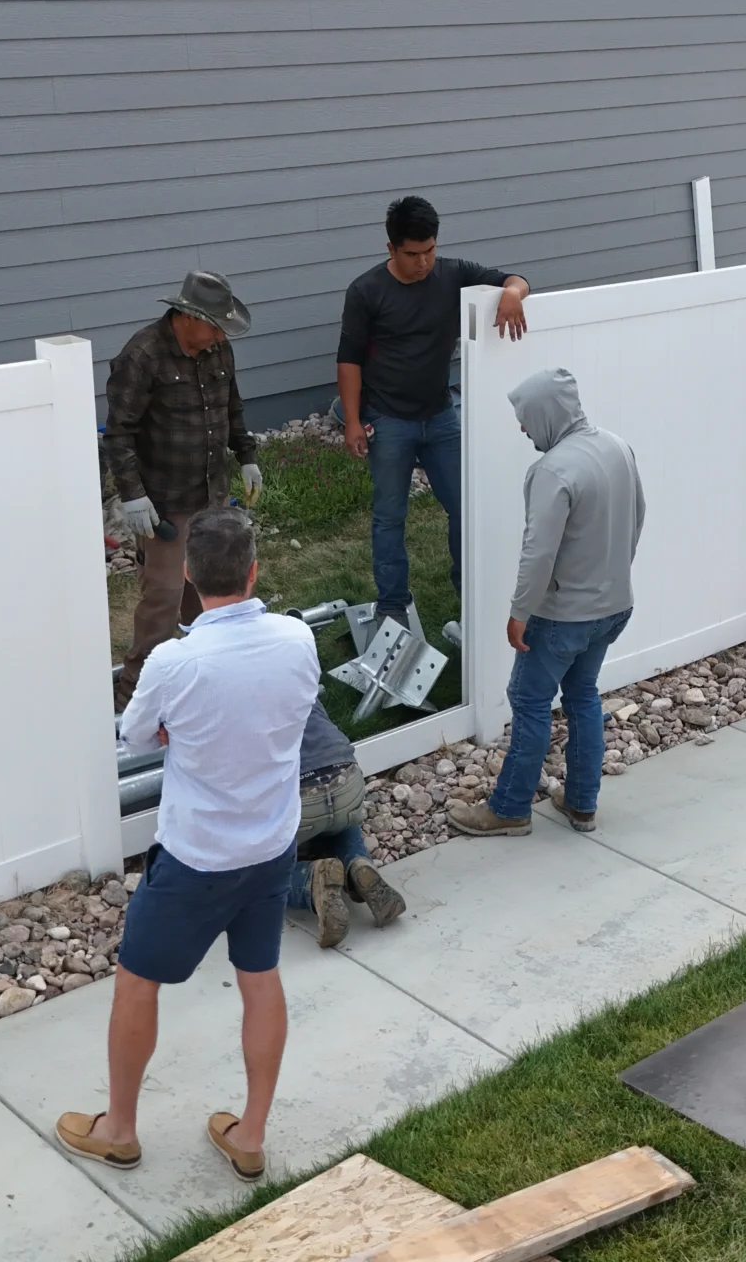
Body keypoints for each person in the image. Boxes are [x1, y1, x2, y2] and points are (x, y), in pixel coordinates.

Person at [58, 509, 313, 1183]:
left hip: (196, 856)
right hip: (272, 846)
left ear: (192, 579)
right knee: (260, 980)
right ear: (254, 570)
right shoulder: (296, 639)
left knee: (138, 981)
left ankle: (119, 1130)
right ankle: (251, 1137)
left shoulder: (176, 661)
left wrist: (180, 729)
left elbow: (137, 737)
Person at [450, 369, 644, 838]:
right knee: (582, 696)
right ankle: (581, 804)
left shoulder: (553, 470)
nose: (522, 428)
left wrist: (520, 612)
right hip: (614, 606)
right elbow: (638, 515)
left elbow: (538, 552)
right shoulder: (618, 446)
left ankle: (510, 809)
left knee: (530, 701)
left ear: (545, 413)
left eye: (525, 418)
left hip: (563, 617)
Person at [336, 195, 532, 622]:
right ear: (391, 249)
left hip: (441, 416)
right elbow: (348, 359)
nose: (422, 263)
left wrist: (513, 294)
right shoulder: (366, 291)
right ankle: (393, 607)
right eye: (412, 254)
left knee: (464, 506)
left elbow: (514, 279)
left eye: (429, 251)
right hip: (388, 420)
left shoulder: (454, 274)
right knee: (390, 516)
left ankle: (470, 595)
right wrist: (353, 421)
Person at [103, 269, 264, 704]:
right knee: (164, 598)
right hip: (164, 503)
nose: (218, 336)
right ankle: (134, 696)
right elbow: (119, 435)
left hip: (211, 496)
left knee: (210, 596)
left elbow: (233, 409)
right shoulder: (142, 356)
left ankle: (202, 680)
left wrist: (247, 457)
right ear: (187, 315)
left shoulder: (217, 350)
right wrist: (132, 493)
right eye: (213, 325)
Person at [283, 698, 407, 948]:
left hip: (298, 799)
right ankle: (356, 866)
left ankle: (309, 884)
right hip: (346, 781)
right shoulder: (290, 664)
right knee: (337, 821)